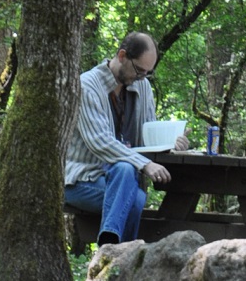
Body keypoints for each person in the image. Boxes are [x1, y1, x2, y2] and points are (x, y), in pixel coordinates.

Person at [63, 31, 188, 244]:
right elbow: (100, 142)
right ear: (122, 56)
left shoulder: (143, 86)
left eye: (148, 73)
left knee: (126, 174)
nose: (141, 78)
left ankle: (111, 249)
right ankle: (119, 254)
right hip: (81, 180)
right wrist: (144, 164)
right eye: (139, 70)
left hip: (121, 180)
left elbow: (149, 137)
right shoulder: (87, 86)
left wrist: (173, 143)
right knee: (133, 191)